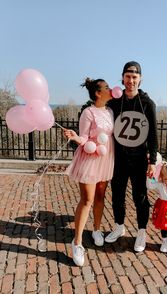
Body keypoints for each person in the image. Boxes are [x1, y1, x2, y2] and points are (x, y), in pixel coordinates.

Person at [105, 61, 158, 252]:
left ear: (140, 79)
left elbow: (153, 135)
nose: (131, 80)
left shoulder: (147, 104)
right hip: (118, 158)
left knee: (140, 197)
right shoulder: (114, 102)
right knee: (117, 194)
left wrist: (152, 160)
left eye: (134, 77)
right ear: (122, 77)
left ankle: (142, 231)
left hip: (138, 160)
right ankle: (119, 226)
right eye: (128, 77)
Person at [64, 78, 114, 266]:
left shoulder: (110, 111)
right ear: (98, 93)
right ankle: (77, 242)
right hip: (90, 159)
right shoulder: (88, 112)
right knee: (87, 200)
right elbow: (84, 136)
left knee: (101, 196)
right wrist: (75, 137)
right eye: (107, 87)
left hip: (106, 158)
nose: (111, 89)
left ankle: (96, 229)